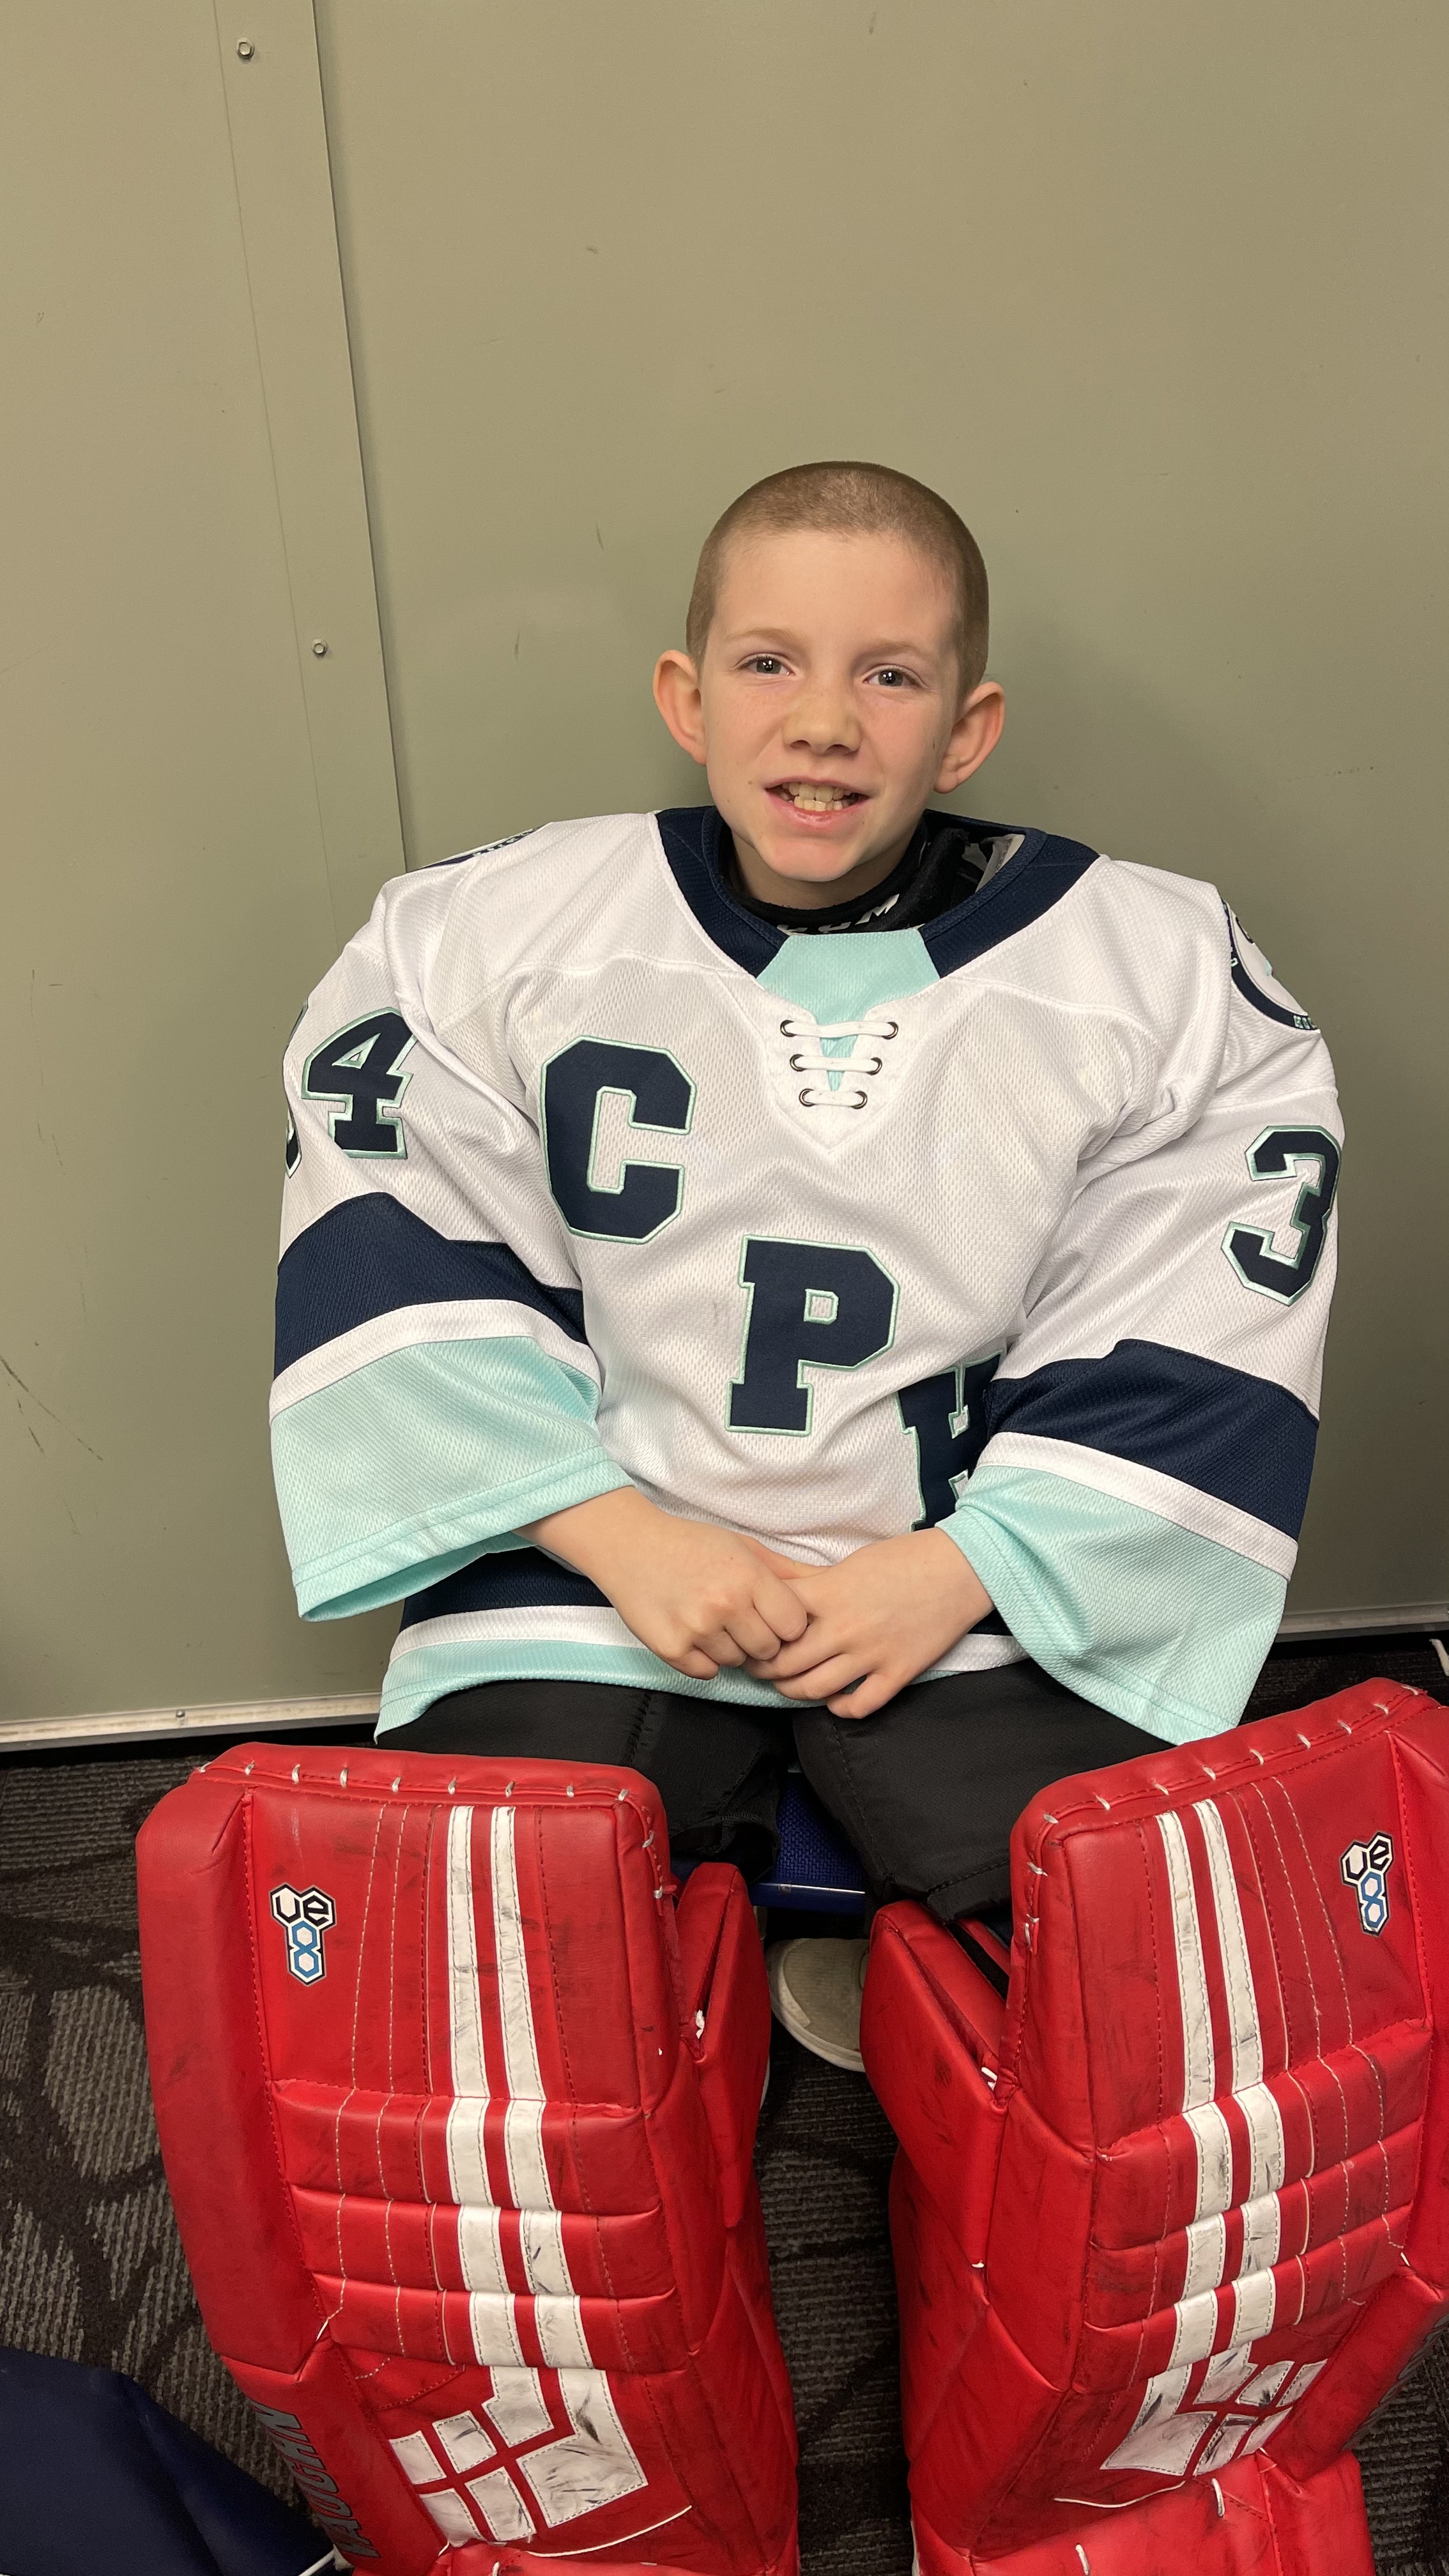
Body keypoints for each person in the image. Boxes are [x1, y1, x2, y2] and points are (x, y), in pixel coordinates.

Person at [269, 461, 1340, 2069]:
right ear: (687, 698)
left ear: (967, 728)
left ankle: (909, 2016)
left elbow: (1207, 1296)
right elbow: (392, 1232)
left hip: (982, 1584)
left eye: (888, 675)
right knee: (466, 1998)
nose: (825, 721)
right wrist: (621, 1536)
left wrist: (971, 1565)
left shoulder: (1164, 972)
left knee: (1156, 2016)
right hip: (598, 1574)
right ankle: (697, 2019)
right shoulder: (479, 936)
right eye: (770, 662)